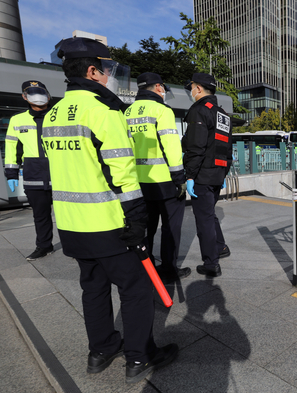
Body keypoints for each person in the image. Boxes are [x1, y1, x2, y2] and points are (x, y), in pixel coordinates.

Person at [41, 37, 177, 384]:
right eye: (106, 69)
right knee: (136, 288)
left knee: (93, 288)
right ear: (91, 70)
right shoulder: (103, 111)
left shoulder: (53, 112)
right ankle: (139, 357)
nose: (109, 76)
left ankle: (100, 351)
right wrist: (136, 218)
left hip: (71, 224)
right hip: (108, 223)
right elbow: (123, 171)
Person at [125, 72, 189, 284]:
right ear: (159, 87)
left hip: (137, 182)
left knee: (146, 226)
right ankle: (169, 270)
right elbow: (171, 145)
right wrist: (179, 177)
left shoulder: (126, 113)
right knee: (171, 226)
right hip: (164, 182)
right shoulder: (162, 110)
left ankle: (146, 264)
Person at [183, 73, 233, 277]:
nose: (191, 91)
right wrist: (223, 173)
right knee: (209, 214)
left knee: (203, 219)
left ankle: (211, 264)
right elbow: (226, 147)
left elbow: (196, 147)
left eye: (192, 87)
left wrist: (190, 175)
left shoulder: (199, 110)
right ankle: (220, 247)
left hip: (202, 174)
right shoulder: (222, 113)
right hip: (217, 173)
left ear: (199, 89)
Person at [4, 81, 54, 260]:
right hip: (34, 175)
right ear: (24, 97)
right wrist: (11, 173)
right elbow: (12, 148)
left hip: (60, 173)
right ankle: (44, 246)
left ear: (48, 96)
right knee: (40, 216)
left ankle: (74, 246)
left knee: (68, 215)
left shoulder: (58, 116)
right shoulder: (17, 120)